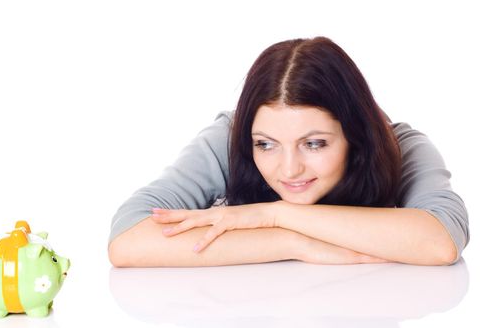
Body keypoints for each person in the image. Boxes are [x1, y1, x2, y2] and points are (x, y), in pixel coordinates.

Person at [108, 37, 469, 267]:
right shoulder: (231, 138)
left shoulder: (402, 145)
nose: (289, 169)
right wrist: (292, 242)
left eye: (314, 144)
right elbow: (129, 240)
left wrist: (275, 214)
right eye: (266, 145)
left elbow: (441, 241)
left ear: (355, 136)